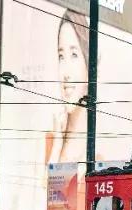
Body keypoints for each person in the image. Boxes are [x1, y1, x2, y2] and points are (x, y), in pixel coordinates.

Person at [45, 12, 91, 165]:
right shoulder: (50, 141)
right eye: (61, 57)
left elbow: (62, 190)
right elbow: (53, 189)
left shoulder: (97, 153)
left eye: (74, 55)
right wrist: (57, 146)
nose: (66, 73)